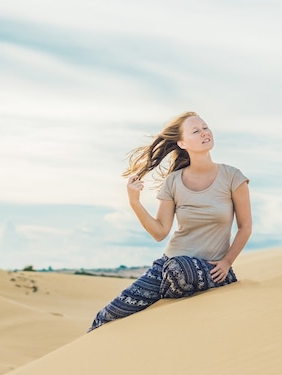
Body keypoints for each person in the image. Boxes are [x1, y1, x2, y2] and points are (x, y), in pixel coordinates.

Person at [88, 111, 252, 331]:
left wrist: (227, 263)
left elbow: (245, 227)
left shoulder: (232, 177)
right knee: (105, 318)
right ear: (182, 143)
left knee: (180, 269)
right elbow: (160, 232)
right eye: (196, 130)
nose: (204, 133)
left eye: (205, 127)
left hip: (211, 269)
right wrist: (134, 202)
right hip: (168, 267)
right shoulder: (173, 181)